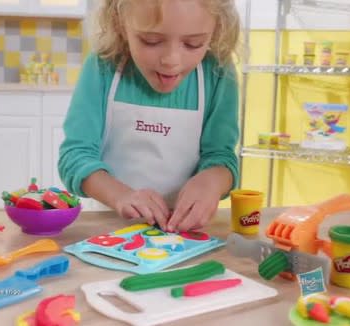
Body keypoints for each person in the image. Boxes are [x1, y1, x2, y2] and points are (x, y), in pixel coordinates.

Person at [58, 0, 241, 232]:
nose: (171, 60)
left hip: (185, 234)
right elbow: (74, 157)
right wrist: (121, 196)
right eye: (151, 41)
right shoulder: (103, 66)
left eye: (193, 44)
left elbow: (222, 157)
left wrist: (212, 181)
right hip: (111, 230)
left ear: (217, 31)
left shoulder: (218, 73)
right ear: (120, 25)